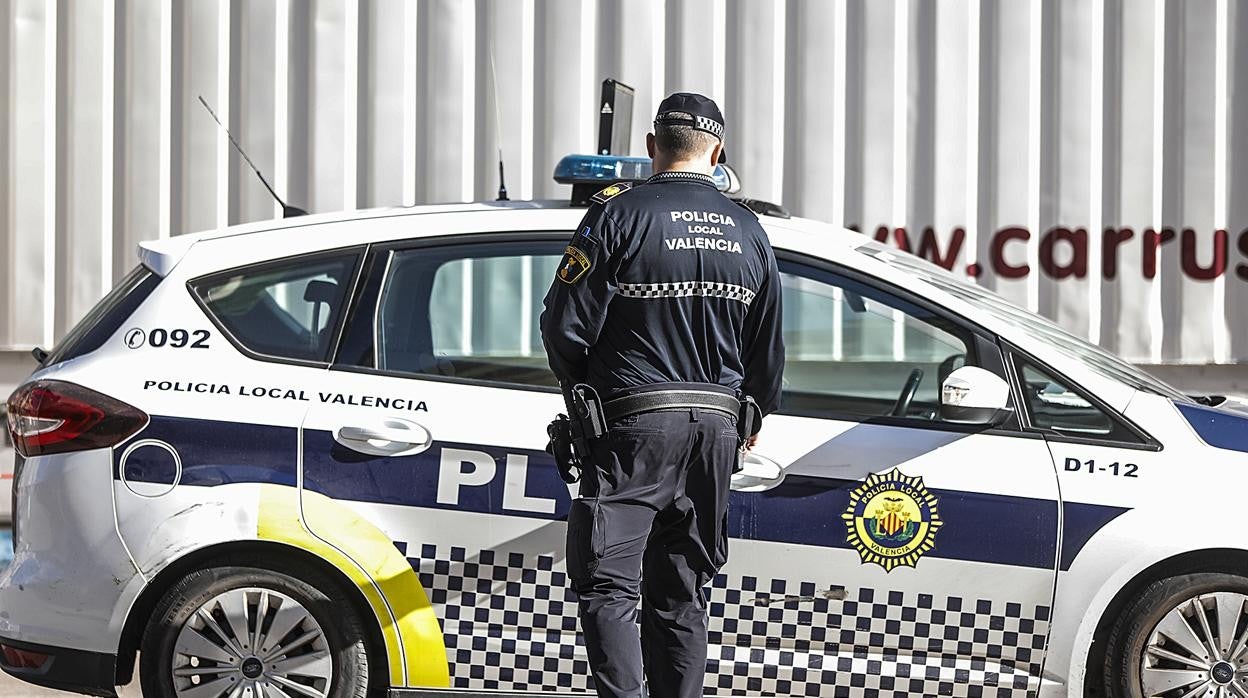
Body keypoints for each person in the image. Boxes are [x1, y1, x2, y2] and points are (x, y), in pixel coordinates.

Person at [539, 92, 785, 698]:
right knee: (683, 592)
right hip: (716, 434)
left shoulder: (619, 216)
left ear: (653, 148)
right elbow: (768, 345)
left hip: (633, 429)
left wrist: (583, 397)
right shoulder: (750, 230)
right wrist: (752, 411)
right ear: (717, 151)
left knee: (609, 586)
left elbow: (563, 325)